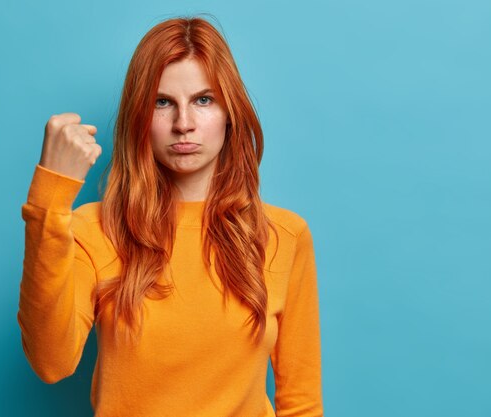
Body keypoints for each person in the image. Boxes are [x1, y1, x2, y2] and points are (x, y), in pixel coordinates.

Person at [17, 15, 323, 417]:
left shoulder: (284, 235)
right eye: (163, 103)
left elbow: (301, 402)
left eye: (203, 100)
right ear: (140, 117)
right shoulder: (93, 229)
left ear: (230, 112)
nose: (184, 124)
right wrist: (50, 200)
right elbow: (51, 363)